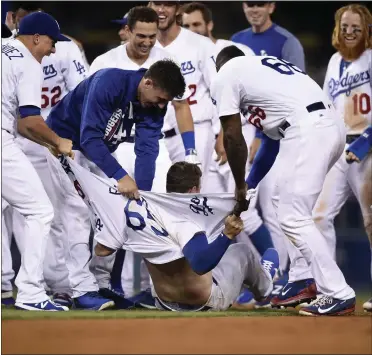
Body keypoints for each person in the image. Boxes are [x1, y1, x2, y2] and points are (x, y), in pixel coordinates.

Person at [212, 46, 356, 316]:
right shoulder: (262, 70)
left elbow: (232, 137)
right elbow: (270, 140)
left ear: (219, 65)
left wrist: (240, 183)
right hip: (327, 126)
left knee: (293, 216)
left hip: (308, 129)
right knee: (282, 200)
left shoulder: (226, 74)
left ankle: (338, 292)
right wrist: (251, 185)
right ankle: (302, 277)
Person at [44, 59, 186, 309]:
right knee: (76, 213)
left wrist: (141, 195)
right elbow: (89, 139)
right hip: (65, 145)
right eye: (161, 98)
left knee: (120, 210)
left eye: (166, 101)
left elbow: (147, 149)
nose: (162, 105)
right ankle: (80, 289)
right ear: (148, 82)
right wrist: (121, 176)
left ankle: (102, 285)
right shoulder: (109, 83)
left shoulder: (153, 102)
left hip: (100, 152)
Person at [59, 156, 280, 312]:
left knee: (202, 254)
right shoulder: (189, 220)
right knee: (240, 251)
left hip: (163, 300)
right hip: (203, 302)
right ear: (194, 190)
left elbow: (102, 249)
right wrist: (227, 235)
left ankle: (257, 281)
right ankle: (266, 286)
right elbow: (201, 263)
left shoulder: (144, 209)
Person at [89, 5, 195, 305]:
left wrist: (191, 150)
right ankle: (106, 285)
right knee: (111, 216)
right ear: (127, 30)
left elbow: (181, 105)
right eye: (141, 35)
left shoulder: (166, 61)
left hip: (151, 145)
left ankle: (157, 290)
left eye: (152, 35)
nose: (147, 41)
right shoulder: (105, 62)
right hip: (113, 147)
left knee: (157, 213)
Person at [181, 2, 275, 309]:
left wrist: (233, 134)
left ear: (209, 26)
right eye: (188, 26)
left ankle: (274, 268)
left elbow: (258, 93)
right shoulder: (185, 53)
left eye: (197, 25)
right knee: (222, 211)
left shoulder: (231, 49)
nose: (192, 30)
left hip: (239, 132)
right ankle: (241, 277)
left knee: (248, 210)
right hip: (215, 136)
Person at [230, 1, 307, 303]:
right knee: (246, 210)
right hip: (249, 129)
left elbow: (297, 90)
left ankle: (282, 277)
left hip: (281, 133)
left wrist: (263, 136)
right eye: (250, 3)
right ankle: (262, 278)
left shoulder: (287, 42)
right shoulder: (237, 40)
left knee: (276, 209)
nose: (254, 9)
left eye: (260, 3)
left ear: (272, 6)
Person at [2, 11, 73, 311]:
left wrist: (48, 144)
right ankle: (31, 293)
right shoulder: (28, 61)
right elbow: (29, 120)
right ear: (36, 38)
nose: (54, 49)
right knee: (40, 211)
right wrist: (58, 141)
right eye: (52, 42)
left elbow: (23, 125)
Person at [312, 4, 372, 314]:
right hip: (337, 147)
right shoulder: (335, 61)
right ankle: (331, 292)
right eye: (345, 26)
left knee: (371, 220)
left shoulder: (371, 58)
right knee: (319, 217)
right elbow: (325, 107)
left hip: (368, 147)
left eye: (356, 27)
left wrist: (365, 142)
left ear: (366, 31)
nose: (349, 31)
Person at [149, 1, 217, 189]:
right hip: (156, 134)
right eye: (156, 3)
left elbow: (219, 92)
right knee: (160, 195)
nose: (161, 9)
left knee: (193, 195)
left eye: (168, 4)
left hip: (196, 129)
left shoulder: (201, 44)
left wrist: (222, 134)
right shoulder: (145, 44)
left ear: (178, 9)